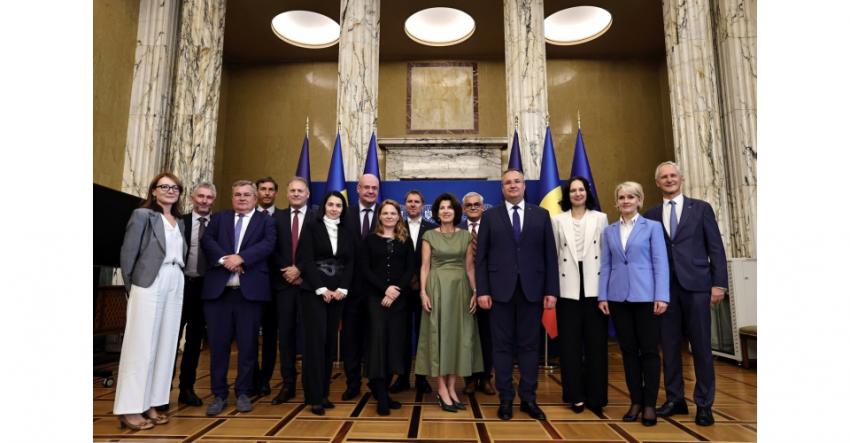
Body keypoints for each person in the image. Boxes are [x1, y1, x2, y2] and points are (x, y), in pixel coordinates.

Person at [645, 161, 728, 426]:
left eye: (673, 175)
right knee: (669, 347)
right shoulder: (650, 214)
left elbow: (716, 248)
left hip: (697, 287)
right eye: (664, 177)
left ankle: (704, 404)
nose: (669, 180)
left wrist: (719, 284)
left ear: (681, 179)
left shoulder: (701, 208)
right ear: (657, 183)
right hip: (665, 291)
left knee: (701, 347)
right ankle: (675, 400)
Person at [475, 169, 558, 421]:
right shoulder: (489, 216)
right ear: (502, 188)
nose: (513, 185)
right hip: (498, 293)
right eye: (507, 183)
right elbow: (481, 258)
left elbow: (550, 255)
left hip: (532, 291)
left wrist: (551, 290)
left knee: (529, 347)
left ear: (524, 186)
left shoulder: (541, 215)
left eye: (517, 181)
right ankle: (506, 399)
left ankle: (528, 398)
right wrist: (483, 290)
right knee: (501, 348)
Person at [114, 172, 187, 430]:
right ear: (153, 191)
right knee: (141, 345)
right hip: (149, 281)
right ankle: (129, 408)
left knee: (166, 344)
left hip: (175, 278)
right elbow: (128, 254)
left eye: (175, 187)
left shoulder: (179, 221)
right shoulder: (142, 215)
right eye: (164, 186)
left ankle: (152, 403)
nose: (170, 190)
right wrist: (133, 287)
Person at [201, 180, 277, 416]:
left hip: (249, 295)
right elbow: (207, 240)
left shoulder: (265, 221)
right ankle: (219, 394)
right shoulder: (219, 219)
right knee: (218, 346)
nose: (242, 198)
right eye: (237, 194)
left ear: (255, 198)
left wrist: (241, 257)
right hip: (219, 294)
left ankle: (244, 392)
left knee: (248, 346)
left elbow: (268, 244)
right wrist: (225, 260)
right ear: (232, 197)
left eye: (246, 194)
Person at [597, 181, 669, 427]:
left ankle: (649, 404)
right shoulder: (609, 231)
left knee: (649, 351)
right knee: (628, 352)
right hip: (618, 298)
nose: (626, 201)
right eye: (622, 197)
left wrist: (662, 295)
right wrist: (603, 296)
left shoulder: (653, 227)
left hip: (647, 297)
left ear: (639, 200)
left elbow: (660, 263)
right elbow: (606, 265)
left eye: (631, 197)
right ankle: (635, 401)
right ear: (616, 202)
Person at [416, 192, 482, 413]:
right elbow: (425, 266)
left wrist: (475, 291)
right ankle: (441, 389)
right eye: (442, 208)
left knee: (457, 338)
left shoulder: (465, 236)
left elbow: (470, 267)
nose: (446, 211)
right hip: (436, 290)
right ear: (436, 212)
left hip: (461, 291)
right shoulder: (429, 235)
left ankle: (452, 388)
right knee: (437, 337)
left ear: (456, 212)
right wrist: (423, 293)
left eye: (450, 207)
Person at [551, 177, 609, 414]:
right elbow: (555, 256)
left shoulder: (601, 218)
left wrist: (605, 292)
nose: (577, 194)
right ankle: (575, 396)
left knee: (596, 346)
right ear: (568, 195)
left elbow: (606, 256)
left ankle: (597, 397)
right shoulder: (557, 220)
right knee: (570, 346)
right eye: (573, 190)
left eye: (581, 189)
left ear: (587, 193)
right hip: (568, 290)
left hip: (595, 289)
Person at [297, 191, 355, 415]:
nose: (334, 208)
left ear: (343, 209)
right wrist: (321, 289)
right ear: (324, 206)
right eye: (330, 204)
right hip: (314, 293)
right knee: (315, 344)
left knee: (330, 345)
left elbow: (351, 262)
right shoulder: (311, 227)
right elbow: (306, 260)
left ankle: (323, 394)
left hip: (338, 294)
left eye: (338, 205)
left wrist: (342, 289)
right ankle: (313, 397)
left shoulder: (347, 231)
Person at [361, 199, 415, 415]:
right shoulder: (369, 240)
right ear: (380, 216)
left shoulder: (405, 240)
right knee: (378, 345)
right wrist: (385, 289)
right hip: (376, 299)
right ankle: (382, 395)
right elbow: (366, 270)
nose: (389, 216)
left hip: (399, 301)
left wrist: (395, 291)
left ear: (399, 216)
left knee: (395, 345)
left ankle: (382, 388)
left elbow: (410, 269)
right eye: (385, 213)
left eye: (393, 213)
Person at [270, 177, 313, 404]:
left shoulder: (317, 217)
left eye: (300, 191)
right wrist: (287, 271)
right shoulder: (275, 218)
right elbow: (271, 248)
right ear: (287, 194)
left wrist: (300, 270)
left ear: (307, 194)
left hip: (308, 286)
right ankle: (288, 384)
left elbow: (320, 250)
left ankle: (309, 385)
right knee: (285, 336)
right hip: (283, 285)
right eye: (293, 191)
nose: (296, 194)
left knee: (308, 337)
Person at [389, 190, 437, 394]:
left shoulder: (432, 229)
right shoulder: (395, 227)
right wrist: (408, 279)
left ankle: (421, 378)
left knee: (423, 335)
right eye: (409, 201)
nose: (413, 204)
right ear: (404, 205)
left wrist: (421, 282)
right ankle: (402, 377)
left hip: (425, 290)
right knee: (401, 335)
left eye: (417, 201)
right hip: (402, 289)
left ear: (423, 205)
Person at [175, 182, 216, 408]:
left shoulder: (219, 224)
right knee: (170, 340)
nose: (204, 201)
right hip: (179, 286)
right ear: (192, 198)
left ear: (213, 200)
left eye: (209, 197)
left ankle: (186, 388)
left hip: (205, 289)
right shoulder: (179, 222)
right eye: (200, 196)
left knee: (194, 341)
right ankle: (162, 390)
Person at [340, 174, 379, 400]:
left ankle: (376, 383)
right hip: (350, 289)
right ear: (358, 189)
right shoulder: (345, 214)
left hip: (377, 291)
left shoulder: (386, 213)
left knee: (375, 340)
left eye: (374, 188)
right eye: (367, 187)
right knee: (351, 340)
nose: (371, 191)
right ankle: (352, 383)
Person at [459, 192, 495, 396]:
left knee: (487, 335)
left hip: (489, 289)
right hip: (463, 290)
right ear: (463, 209)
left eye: (476, 204)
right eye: (468, 205)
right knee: (467, 336)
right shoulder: (456, 229)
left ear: (483, 207)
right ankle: (470, 379)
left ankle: (486, 378)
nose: (473, 207)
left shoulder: (493, 227)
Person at [252, 176, 281, 397]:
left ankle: (265, 379)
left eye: (271, 189)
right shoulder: (247, 217)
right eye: (263, 189)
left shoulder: (283, 218)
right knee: (249, 334)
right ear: (257, 192)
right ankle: (252, 377)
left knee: (270, 336)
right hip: (251, 284)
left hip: (276, 286)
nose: (267, 193)